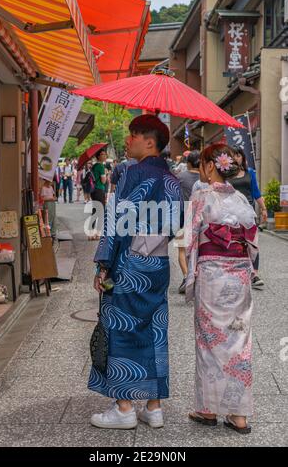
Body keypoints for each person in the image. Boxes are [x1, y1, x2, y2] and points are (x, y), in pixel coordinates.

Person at [89, 115, 183, 430]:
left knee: (122, 328)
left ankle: (125, 407)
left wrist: (103, 265)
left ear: (148, 140)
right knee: (155, 330)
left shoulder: (132, 174)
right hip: (158, 264)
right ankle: (154, 407)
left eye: (132, 135)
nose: (127, 141)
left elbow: (117, 223)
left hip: (129, 266)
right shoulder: (171, 178)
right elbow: (175, 224)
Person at [186, 143, 258, 435]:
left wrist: (190, 276)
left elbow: (190, 239)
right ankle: (239, 415)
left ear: (211, 165)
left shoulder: (201, 195)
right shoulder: (241, 198)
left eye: (203, 163)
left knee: (209, 341)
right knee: (240, 343)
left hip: (212, 276)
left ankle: (207, 409)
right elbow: (252, 243)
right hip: (239, 273)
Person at [229, 145, 267, 289]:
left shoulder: (249, 172)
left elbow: (256, 192)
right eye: (233, 155)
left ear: (242, 157)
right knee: (235, 243)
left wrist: (263, 209)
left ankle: (254, 275)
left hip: (248, 213)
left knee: (253, 243)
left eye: (239, 155)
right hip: (231, 214)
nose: (236, 158)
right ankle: (236, 273)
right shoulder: (226, 174)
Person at [175, 150, 201, 294]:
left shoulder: (179, 177)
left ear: (188, 163)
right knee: (199, 249)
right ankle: (197, 277)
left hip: (182, 215)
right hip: (201, 217)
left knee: (181, 249)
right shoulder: (206, 178)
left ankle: (186, 277)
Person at [89, 149, 107, 239]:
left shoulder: (94, 166)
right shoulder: (100, 166)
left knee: (95, 211)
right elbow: (103, 181)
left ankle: (91, 232)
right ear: (98, 156)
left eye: (105, 154)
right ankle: (98, 233)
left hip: (93, 190)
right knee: (101, 211)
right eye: (102, 154)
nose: (105, 156)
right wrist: (106, 174)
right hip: (99, 189)